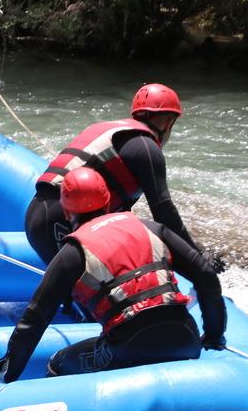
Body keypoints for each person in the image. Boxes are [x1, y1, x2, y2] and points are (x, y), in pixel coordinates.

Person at [0, 167, 226, 383]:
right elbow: (206, 275)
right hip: (186, 338)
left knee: (58, 363)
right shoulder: (151, 227)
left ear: (66, 211)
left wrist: (6, 375)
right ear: (108, 200)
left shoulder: (73, 252)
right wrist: (214, 337)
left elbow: (34, 319)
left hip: (126, 348)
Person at [24, 82, 224, 271]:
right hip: (60, 221)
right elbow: (165, 214)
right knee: (96, 289)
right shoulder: (146, 147)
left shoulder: (112, 131)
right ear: (169, 122)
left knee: (76, 291)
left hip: (37, 215)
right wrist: (196, 259)